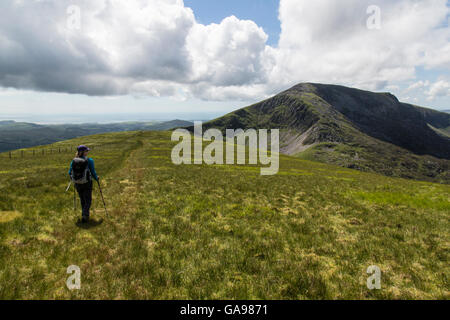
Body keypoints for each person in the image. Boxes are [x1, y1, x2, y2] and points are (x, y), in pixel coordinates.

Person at [68, 145, 99, 223]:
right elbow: (93, 172)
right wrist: (96, 178)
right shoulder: (89, 160)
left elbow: (69, 172)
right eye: (86, 151)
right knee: (88, 200)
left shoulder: (74, 161)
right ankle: (85, 215)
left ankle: (84, 215)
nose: (87, 152)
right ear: (83, 152)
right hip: (87, 182)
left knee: (82, 199)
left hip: (77, 183)